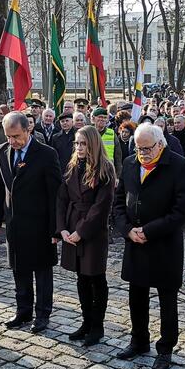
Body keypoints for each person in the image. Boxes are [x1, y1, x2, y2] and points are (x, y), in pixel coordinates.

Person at [113, 123, 185, 369]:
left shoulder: (179, 165)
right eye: (139, 148)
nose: (143, 154)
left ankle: (166, 348)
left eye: (148, 149)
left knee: (167, 299)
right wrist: (127, 230)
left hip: (164, 244)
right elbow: (118, 203)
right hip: (134, 242)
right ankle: (139, 340)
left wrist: (148, 231)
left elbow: (181, 212)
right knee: (136, 296)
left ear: (161, 144)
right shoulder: (129, 163)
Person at [0, 112, 62, 333]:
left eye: (16, 136)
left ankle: (42, 314)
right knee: (18, 268)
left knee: (41, 271)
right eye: (8, 136)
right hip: (15, 222)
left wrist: (55, 228)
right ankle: (23, 311)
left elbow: (55, 193)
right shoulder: (2, 151)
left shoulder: (45, 154)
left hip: (40, 223)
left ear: (28, 130)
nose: (12, 141)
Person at [56, 126, 115, 347]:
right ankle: (86, 322)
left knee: (96, 277)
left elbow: (101, 207)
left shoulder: (104, 170)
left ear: (93, 145)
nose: (79, 148)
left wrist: (81, 232)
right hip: (71, 228)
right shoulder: (72, 166)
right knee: (81, 278)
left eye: (83, 144)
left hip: (92, 231)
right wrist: (62, 228)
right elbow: (61, 199)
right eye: (77, 144)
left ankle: (97, 326)